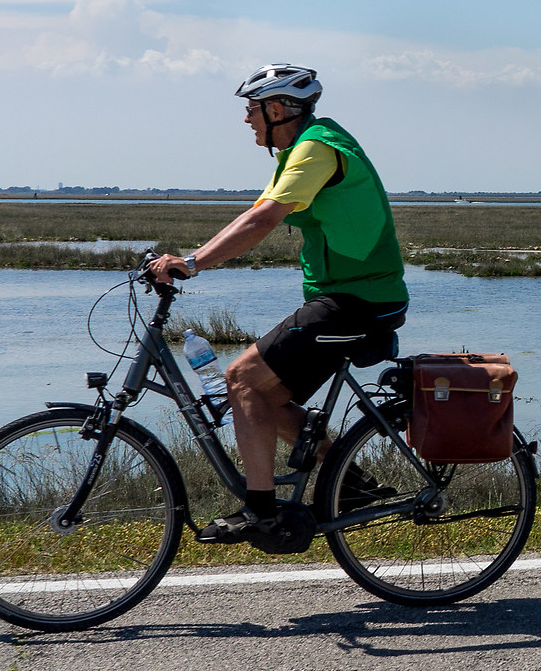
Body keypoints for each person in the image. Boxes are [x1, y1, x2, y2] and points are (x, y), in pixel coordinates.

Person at [145, 64, 408, 544]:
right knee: (260, 395)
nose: (247, 119)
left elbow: (263, 219)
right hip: (349, 297)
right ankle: (348, 479)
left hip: (359, 302)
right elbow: (254, 214)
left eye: (252, 109)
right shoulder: (301, 149)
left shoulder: (316, 148)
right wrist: (190, 259)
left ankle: (260, 512)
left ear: (279, 108)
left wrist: (192, 261)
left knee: (241, 377)